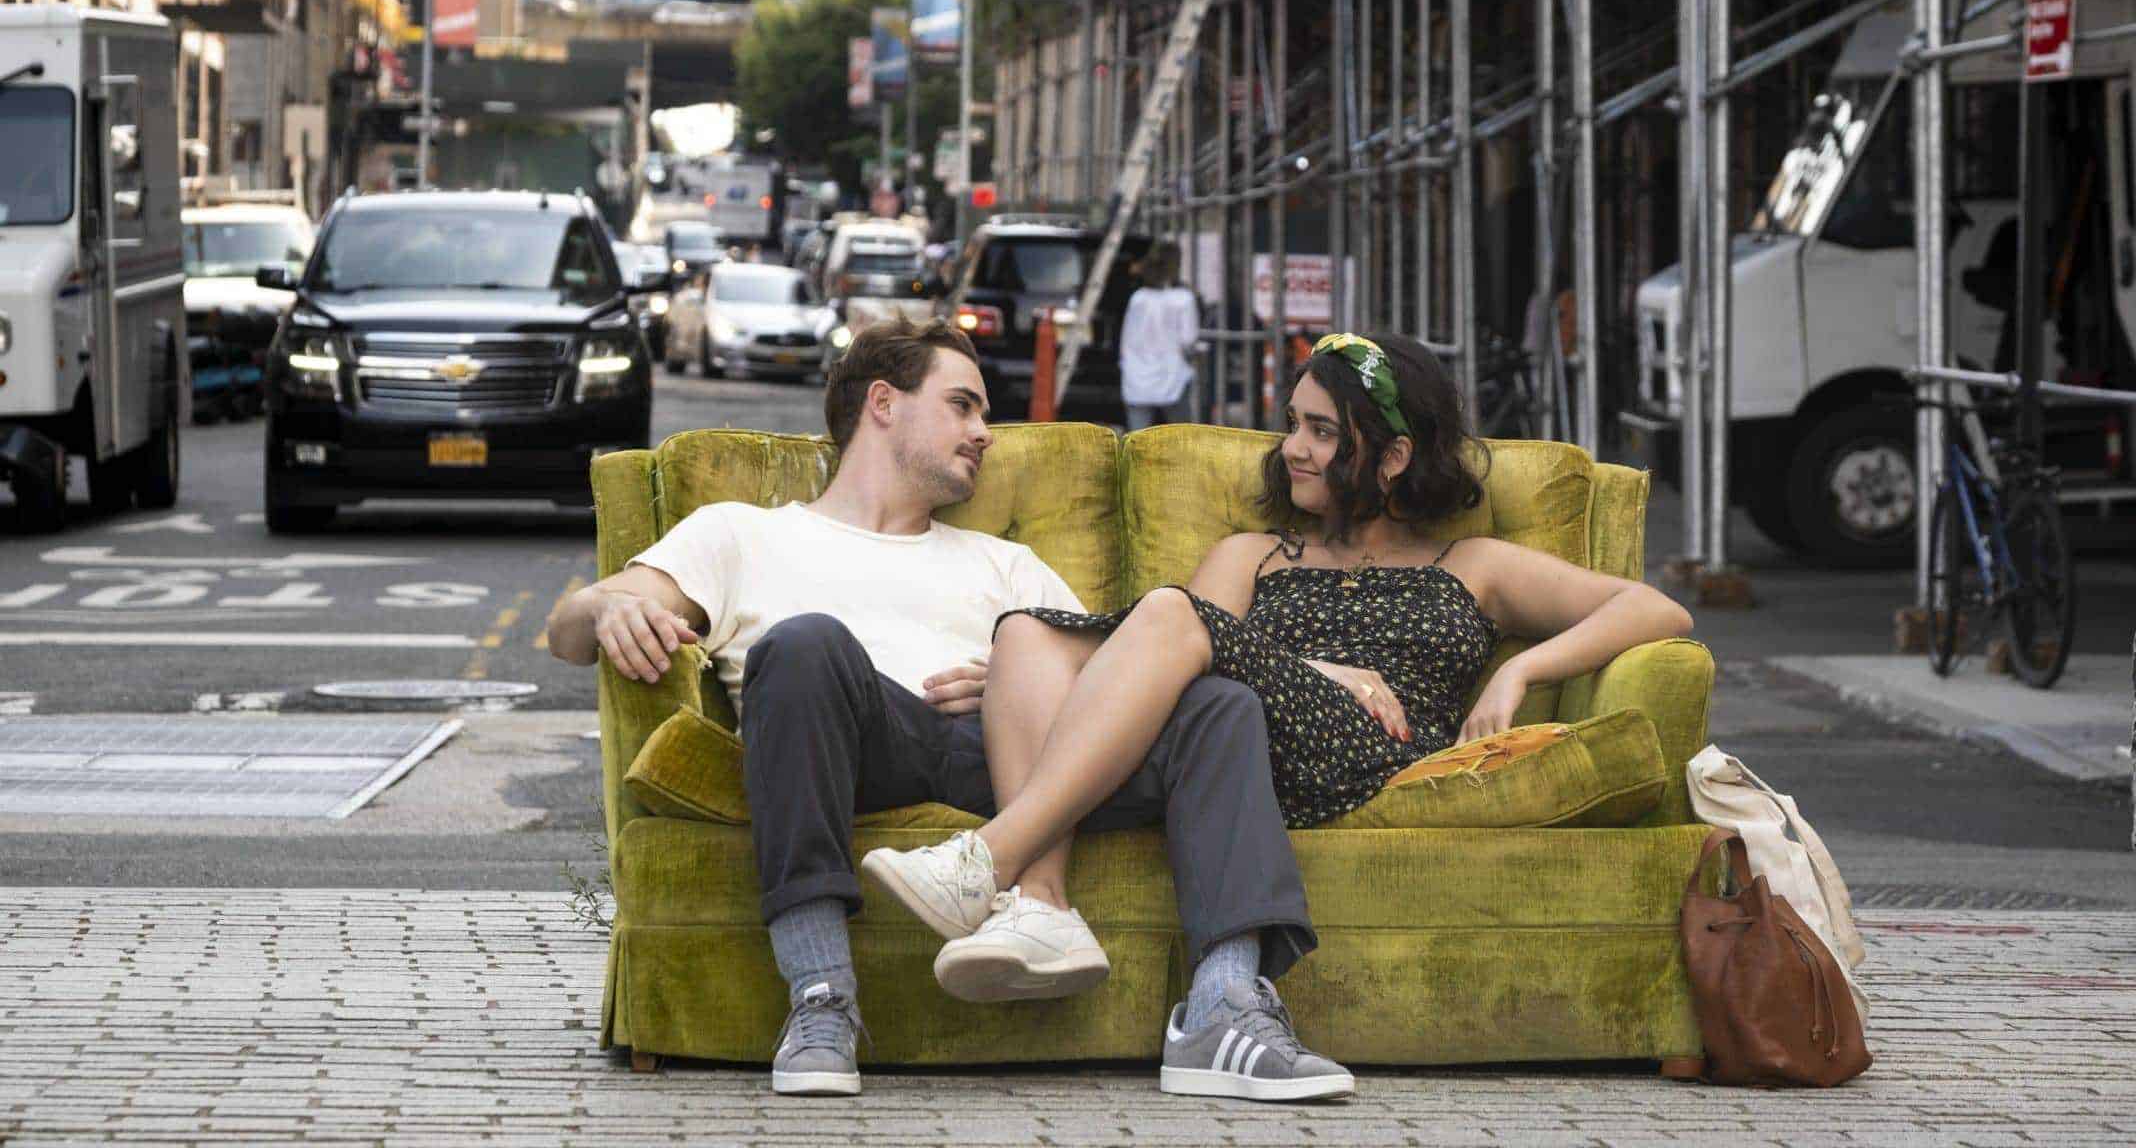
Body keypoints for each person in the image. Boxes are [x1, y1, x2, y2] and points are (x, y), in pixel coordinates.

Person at [869, 332, 1696, 1093]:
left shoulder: (1471, 565)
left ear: (1395, 455)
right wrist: (1322, 667)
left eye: (1325, 432)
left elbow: (1656, 610)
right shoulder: (1250, 554)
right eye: (1293, 424)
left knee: (1160, 614)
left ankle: (986, 860)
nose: (1295, 448)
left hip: (1370, 754)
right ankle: (1041, 907)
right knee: (1026, 634)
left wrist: (1519, 677)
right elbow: (1193, 663)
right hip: (1243, 753)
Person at [545, 318, 1346, 1102]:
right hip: (859, 743)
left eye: (986, 415)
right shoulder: (740, 535)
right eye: (963, 405)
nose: (985, 432)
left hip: (1027, 770)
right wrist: (605, 609)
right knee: (802, 646)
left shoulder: (1008, 565)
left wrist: (1017, 678)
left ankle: (1226, 1003)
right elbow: (572, 628)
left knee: (1217, 704)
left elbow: (1126, 683)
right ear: (883, 403)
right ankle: (821, 999)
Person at [1117, 241, 1201, 431]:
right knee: (1181, 437)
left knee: (1136, 440)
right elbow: (1188, 340)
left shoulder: (1138, 298)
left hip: (1136, 376)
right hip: (1172, 376)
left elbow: (1126, 340)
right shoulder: (1184, 299)